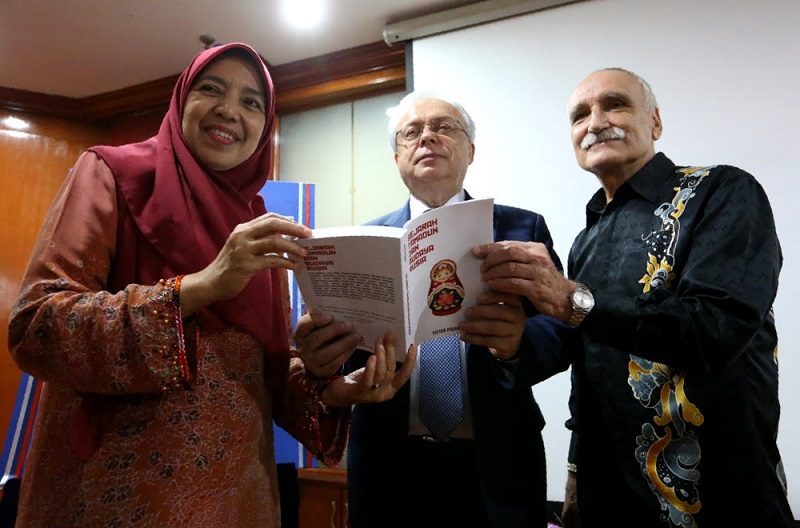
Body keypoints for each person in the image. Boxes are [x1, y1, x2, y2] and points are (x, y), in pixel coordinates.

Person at [7, 42, 414, 527]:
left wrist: (335, 390)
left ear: (266, 128)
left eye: (251, 102)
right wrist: (200, 286)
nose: (229, 110)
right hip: (117, 500)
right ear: (182, 100)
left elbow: (258, 379)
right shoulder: (114, 174)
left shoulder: (257, 224)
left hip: (240, 504)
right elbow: (37, 327)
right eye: (211, 89)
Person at [474, 67, 794, 527]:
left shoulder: (723, 191)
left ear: (655, 123)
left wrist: (572, 302)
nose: (596, 122)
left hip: (719, 492)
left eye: (615, 104)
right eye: (579, 115)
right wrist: (574, 471)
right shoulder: (587, 238)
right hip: (610, 500)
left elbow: (717, 330)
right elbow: (587, 368)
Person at [302, 91, 574, 527]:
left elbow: (561, 333)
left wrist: (519, 343)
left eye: (444, 127)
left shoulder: (522, 227)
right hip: (389, 462)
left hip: (498, 459)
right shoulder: (363, 242)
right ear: (397, 159)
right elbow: (342, 361)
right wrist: (323, 349)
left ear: (471, 150)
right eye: (412, 132)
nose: (427, 136)